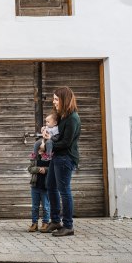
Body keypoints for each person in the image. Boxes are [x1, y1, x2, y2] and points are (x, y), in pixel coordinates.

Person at [44, 86, 81, 237]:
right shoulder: (63, 116)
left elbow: (66, 142)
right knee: (50, 185)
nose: (54, 102)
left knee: (64, 191)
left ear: (64, 100)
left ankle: (68, 225)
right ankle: (55, 221)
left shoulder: (72, 118)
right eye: (54, 99)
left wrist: (49, 141)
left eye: (56, 99)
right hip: (57, 156)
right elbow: (57, 135)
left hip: (66, 157)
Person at [27, 145, 51, 233]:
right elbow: (30, 169)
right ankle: (34, 224)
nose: (40, 150)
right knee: (34, 207)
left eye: (41, 149)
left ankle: (45, 223)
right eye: (39, 149)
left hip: (45, 186)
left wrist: (45, 169)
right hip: (35, 186)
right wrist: (38, 169)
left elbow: (52, 169)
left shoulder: (50, 158)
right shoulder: (35, 157)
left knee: (46, 207)